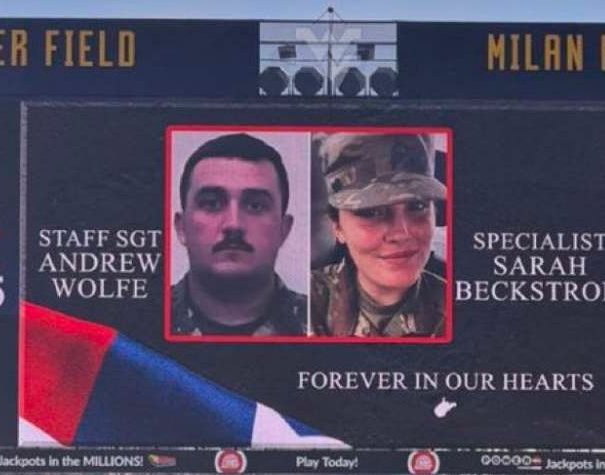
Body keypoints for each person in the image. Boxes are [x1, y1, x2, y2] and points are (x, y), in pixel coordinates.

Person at [310, 133, 448, 338]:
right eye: (371, 211)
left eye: (417, 206)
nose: (402, 233)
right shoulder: (305, 305)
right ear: (338, 227)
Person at [171, 132, 307, 336]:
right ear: (181, 227)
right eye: (211, 204)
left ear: (283, 229)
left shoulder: (324, 325)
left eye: (255, 205)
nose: (233, 224)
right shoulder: (141, 320)